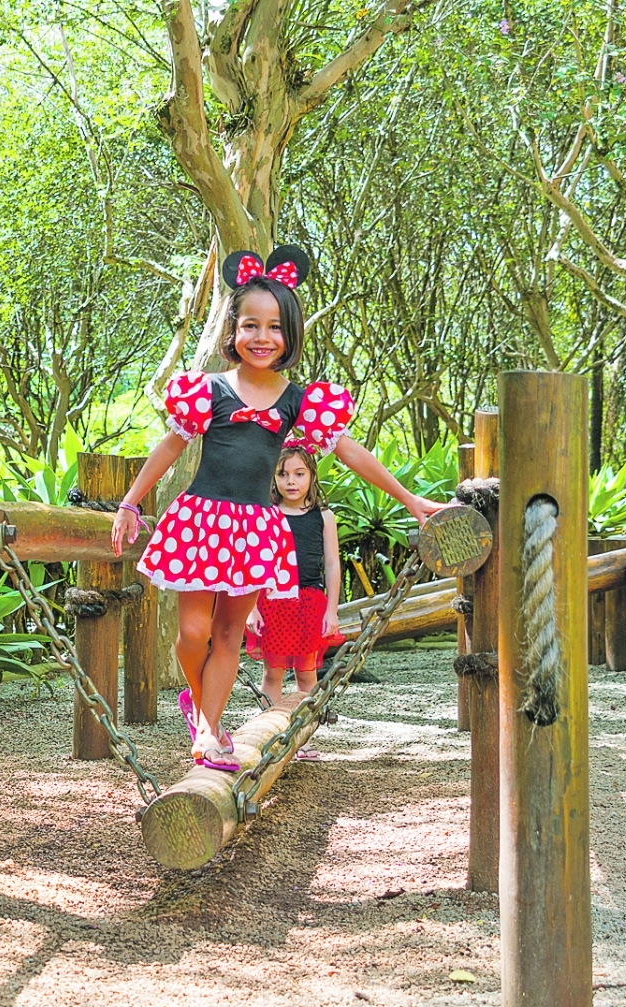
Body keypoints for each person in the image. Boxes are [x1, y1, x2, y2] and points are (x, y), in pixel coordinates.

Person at [110, 245, 444, 771]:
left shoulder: (298, 399)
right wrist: (130, 502)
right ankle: (199, 707)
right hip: (200, 522)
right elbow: (170, 446)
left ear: (289, 334)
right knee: (191, 635)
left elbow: (350, 451)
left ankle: (209, 734)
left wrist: (410, 499)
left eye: (273, 327)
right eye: (249, 325)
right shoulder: (208, 390)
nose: (261, 337)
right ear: (233, 330)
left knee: (228, 636)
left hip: (252, 533)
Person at [245, 446, 345, 704]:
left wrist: (331, 610)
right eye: (282, 474)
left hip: (309, 603)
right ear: (273, 477)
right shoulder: (266, 514)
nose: (290, 481)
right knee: (272, 673)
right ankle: (271, 736)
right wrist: (251, 608)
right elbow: (254, 563)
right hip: (271, 601)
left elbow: (332, 564)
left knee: (307, 674)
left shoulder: (324, 517)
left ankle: (303, 738)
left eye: (299, 474)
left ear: (311, 475)